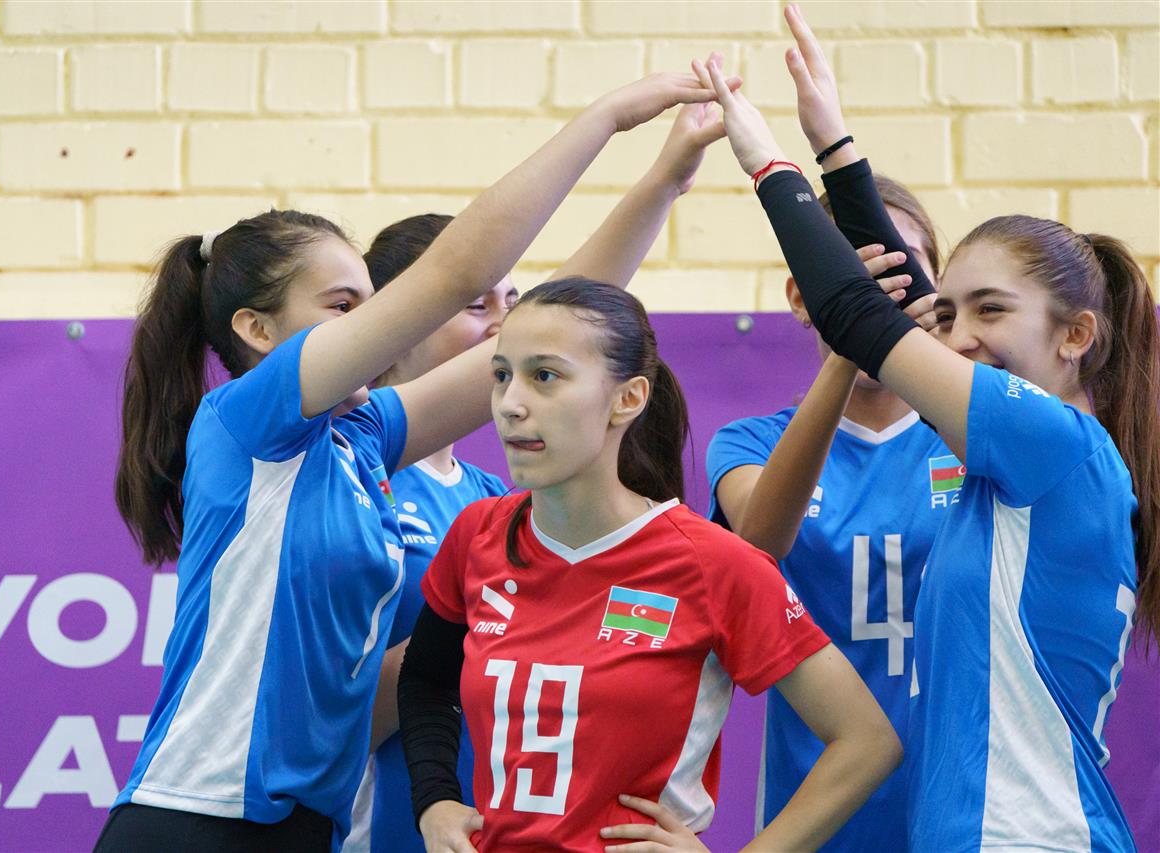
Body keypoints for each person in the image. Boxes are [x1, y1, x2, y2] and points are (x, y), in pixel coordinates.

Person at [97, 70, 725, 852]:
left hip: (305, 830)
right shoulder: (245, 421)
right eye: (344, 306)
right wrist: (606, 116)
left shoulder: (361, 439)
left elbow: (552, 327)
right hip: (195, 819)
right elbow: (455, 272)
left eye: (373, 302)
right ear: (257, 329)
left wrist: (665, 180)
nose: (375, 325)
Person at [696, 6, 1159, 850]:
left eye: (992, 310)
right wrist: (835, 143)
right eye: (951, 314)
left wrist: (768, 162)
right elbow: (901, 317)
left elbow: (865, 315)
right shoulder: (1016, 466)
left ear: (1076, 334)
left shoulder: (1053, 444)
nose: (961, 336)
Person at [347, 96, 731, 853]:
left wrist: (664, 180)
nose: (502, 321)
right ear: (398, 318)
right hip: (388, 820)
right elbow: (348, 705)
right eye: (474, 303)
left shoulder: (496, 502)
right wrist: (466, 641)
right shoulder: (352, 469)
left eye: (512, 301)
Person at [398, 278, 903, 853]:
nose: (511, 403)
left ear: (629, 398)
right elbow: (426, 679)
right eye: (501, 375)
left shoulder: (713, 562)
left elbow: (866, 742)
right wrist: (434, 800)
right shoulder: (478, 534)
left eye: (545, 376)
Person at [707, 175, 942, 852]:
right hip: (815, 819)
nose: (875, 292)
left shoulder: (976, 439)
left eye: (899, 268)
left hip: (962, 816)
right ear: (800, 296)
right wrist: (851, 338)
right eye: (843, 271)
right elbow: (760, 539)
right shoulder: (750, 444)